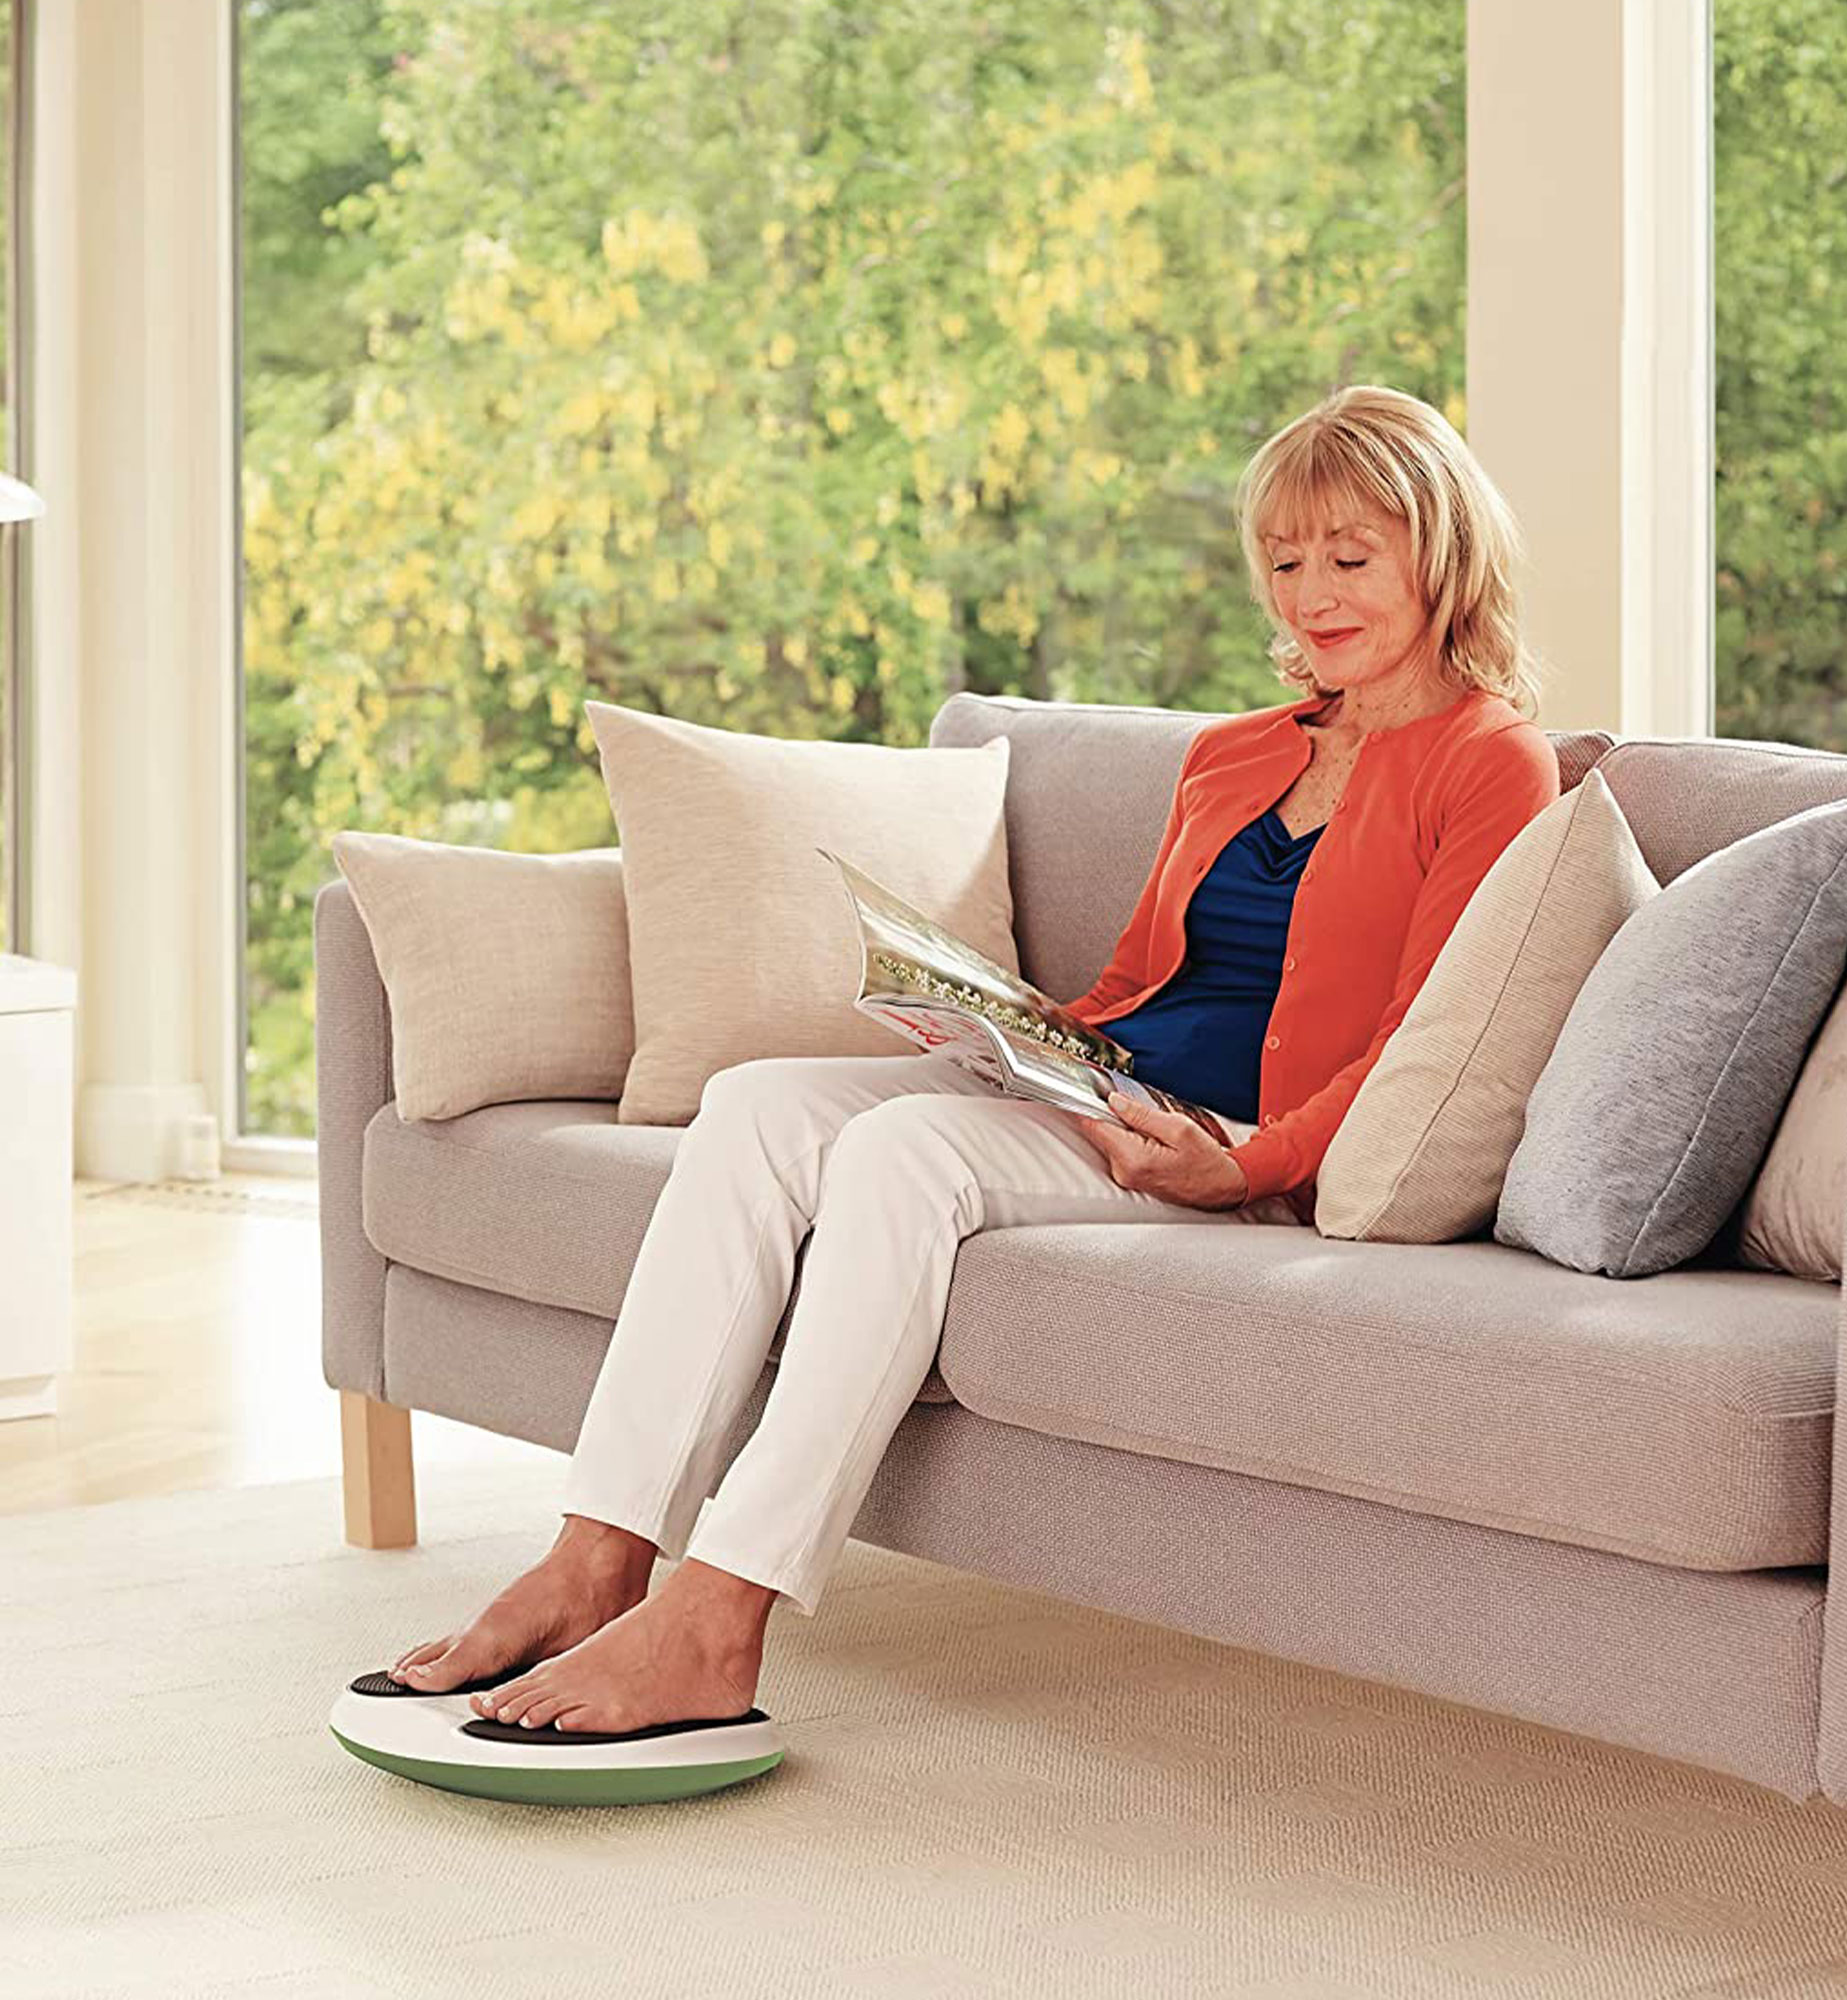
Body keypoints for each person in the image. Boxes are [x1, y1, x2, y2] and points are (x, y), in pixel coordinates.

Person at [385, 383, 1561, 1737]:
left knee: (901, 1152)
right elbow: (1139, 980)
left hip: (1244, 1151)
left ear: (1442, 551)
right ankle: (597, 1556)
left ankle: (719, 1620)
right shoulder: (1234, 755)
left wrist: (1249, 1165)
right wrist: (1017, 1036)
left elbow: (1430, 1038)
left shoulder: (1492, 763)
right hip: (1117, 1096)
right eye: (1286, 563)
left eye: (1350, 558)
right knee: (755, 1104)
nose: (1312, 597)